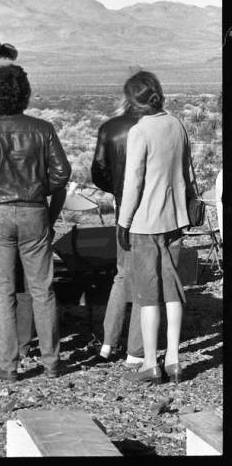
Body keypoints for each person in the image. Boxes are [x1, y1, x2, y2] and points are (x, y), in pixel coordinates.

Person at [0, 64, 71, 381]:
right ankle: (51, 361)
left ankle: (8, 365)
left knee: (2, 290)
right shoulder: (43, 129)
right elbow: (62, 174)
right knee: (42, 289)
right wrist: (36, 188)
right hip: (34, 212)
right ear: (25, 94)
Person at [117, 71, 193, 384]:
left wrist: (123, 221)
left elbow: (133, 182)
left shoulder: (139, 131)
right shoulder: (177, 123)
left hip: (145, 223)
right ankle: (173, 361)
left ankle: (151, 363)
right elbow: (187, 169)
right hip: (174, 220)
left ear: (132, 100)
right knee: (173, 291)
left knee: (148, 296)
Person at [91, 101, 144, 369]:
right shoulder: (159, 128)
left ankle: (108, 343)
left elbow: (98, 173)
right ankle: (136, 350)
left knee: (122, 274)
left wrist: (118, 191)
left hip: (124, 204)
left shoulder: (112, 129)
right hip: (152, 210)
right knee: (146, 277)